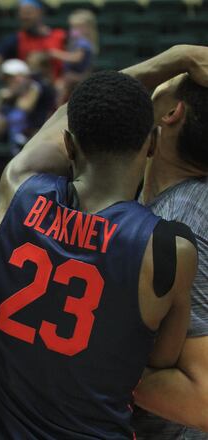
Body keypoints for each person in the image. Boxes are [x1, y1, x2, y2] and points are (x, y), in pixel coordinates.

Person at [0, 69, 197, 438]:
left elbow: (64, 114)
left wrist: (177, 58)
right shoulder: (171, 250)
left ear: (69, 145)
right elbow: (157, 366)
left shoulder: (18, 190)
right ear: (152, 144)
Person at [122, 45, 208, 437]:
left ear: (171, 113)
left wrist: (85, 357)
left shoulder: (183, 223)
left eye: (161, 88)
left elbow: (200, 398)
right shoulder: (174, 209)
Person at [0, 0, 66, 96]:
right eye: (21, 13)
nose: (24, 17)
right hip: (29, 94)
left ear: (40, 13)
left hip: (58, 92)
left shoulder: (60, 36)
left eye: (28, 12)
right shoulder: (16, 40)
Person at [0, 58, 42, 149]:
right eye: (7, 79)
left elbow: (26, 107)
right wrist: (0, 103)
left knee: (17, 115)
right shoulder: (3, 95)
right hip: (9, 139)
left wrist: (13, 96)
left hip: (33, 136)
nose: (10, 82)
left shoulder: (34, 87)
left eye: (13, 78)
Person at [48, 9, 99, 105]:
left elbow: (77, 58)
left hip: (77, 77)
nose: (73, 30)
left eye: (77, 27)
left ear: (87, 28)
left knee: (60, 90)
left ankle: (56, 109)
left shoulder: (83, 42)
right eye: (72, 27)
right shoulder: (78, 42)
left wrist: (57, 54)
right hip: (73, 76)